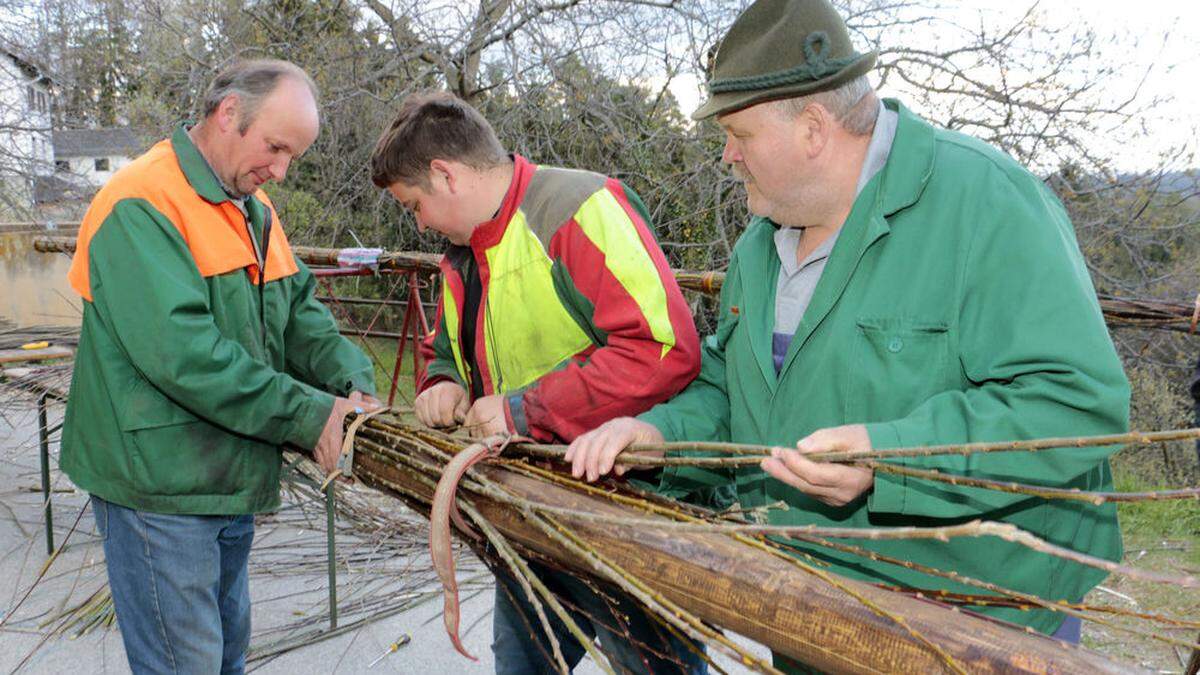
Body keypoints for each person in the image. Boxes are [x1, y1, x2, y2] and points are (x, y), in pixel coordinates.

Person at [566, 0, 1130, 669]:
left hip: (973, 625)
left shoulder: (988, 204)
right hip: (813, 603)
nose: (727, 154)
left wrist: (890, 456)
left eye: (738, 133)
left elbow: (1074, 403)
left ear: (811, 127)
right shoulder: (760, 245)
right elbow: (730, 389)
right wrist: (660, 437)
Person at [61, 59, 378, 674]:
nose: (281, 171)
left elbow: (301, 318)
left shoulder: (254, 211)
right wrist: (311, 416)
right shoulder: (139, 203)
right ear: (228, 112)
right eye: (275, 147)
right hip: (160, 488)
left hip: (228, 479)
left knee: (225, 656)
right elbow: (186, 357)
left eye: (294, 156)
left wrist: (352, 387)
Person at [370, 91, 705, 674]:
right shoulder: (461, 255)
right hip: (526, 506)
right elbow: (445, 345)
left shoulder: (579, 208)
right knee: (522, 664)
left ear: (445, 175)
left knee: (652, 666)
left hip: (627, 507)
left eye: (413, 204)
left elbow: (662, 349)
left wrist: (523, 412)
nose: (418, 222)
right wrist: (442, 378)